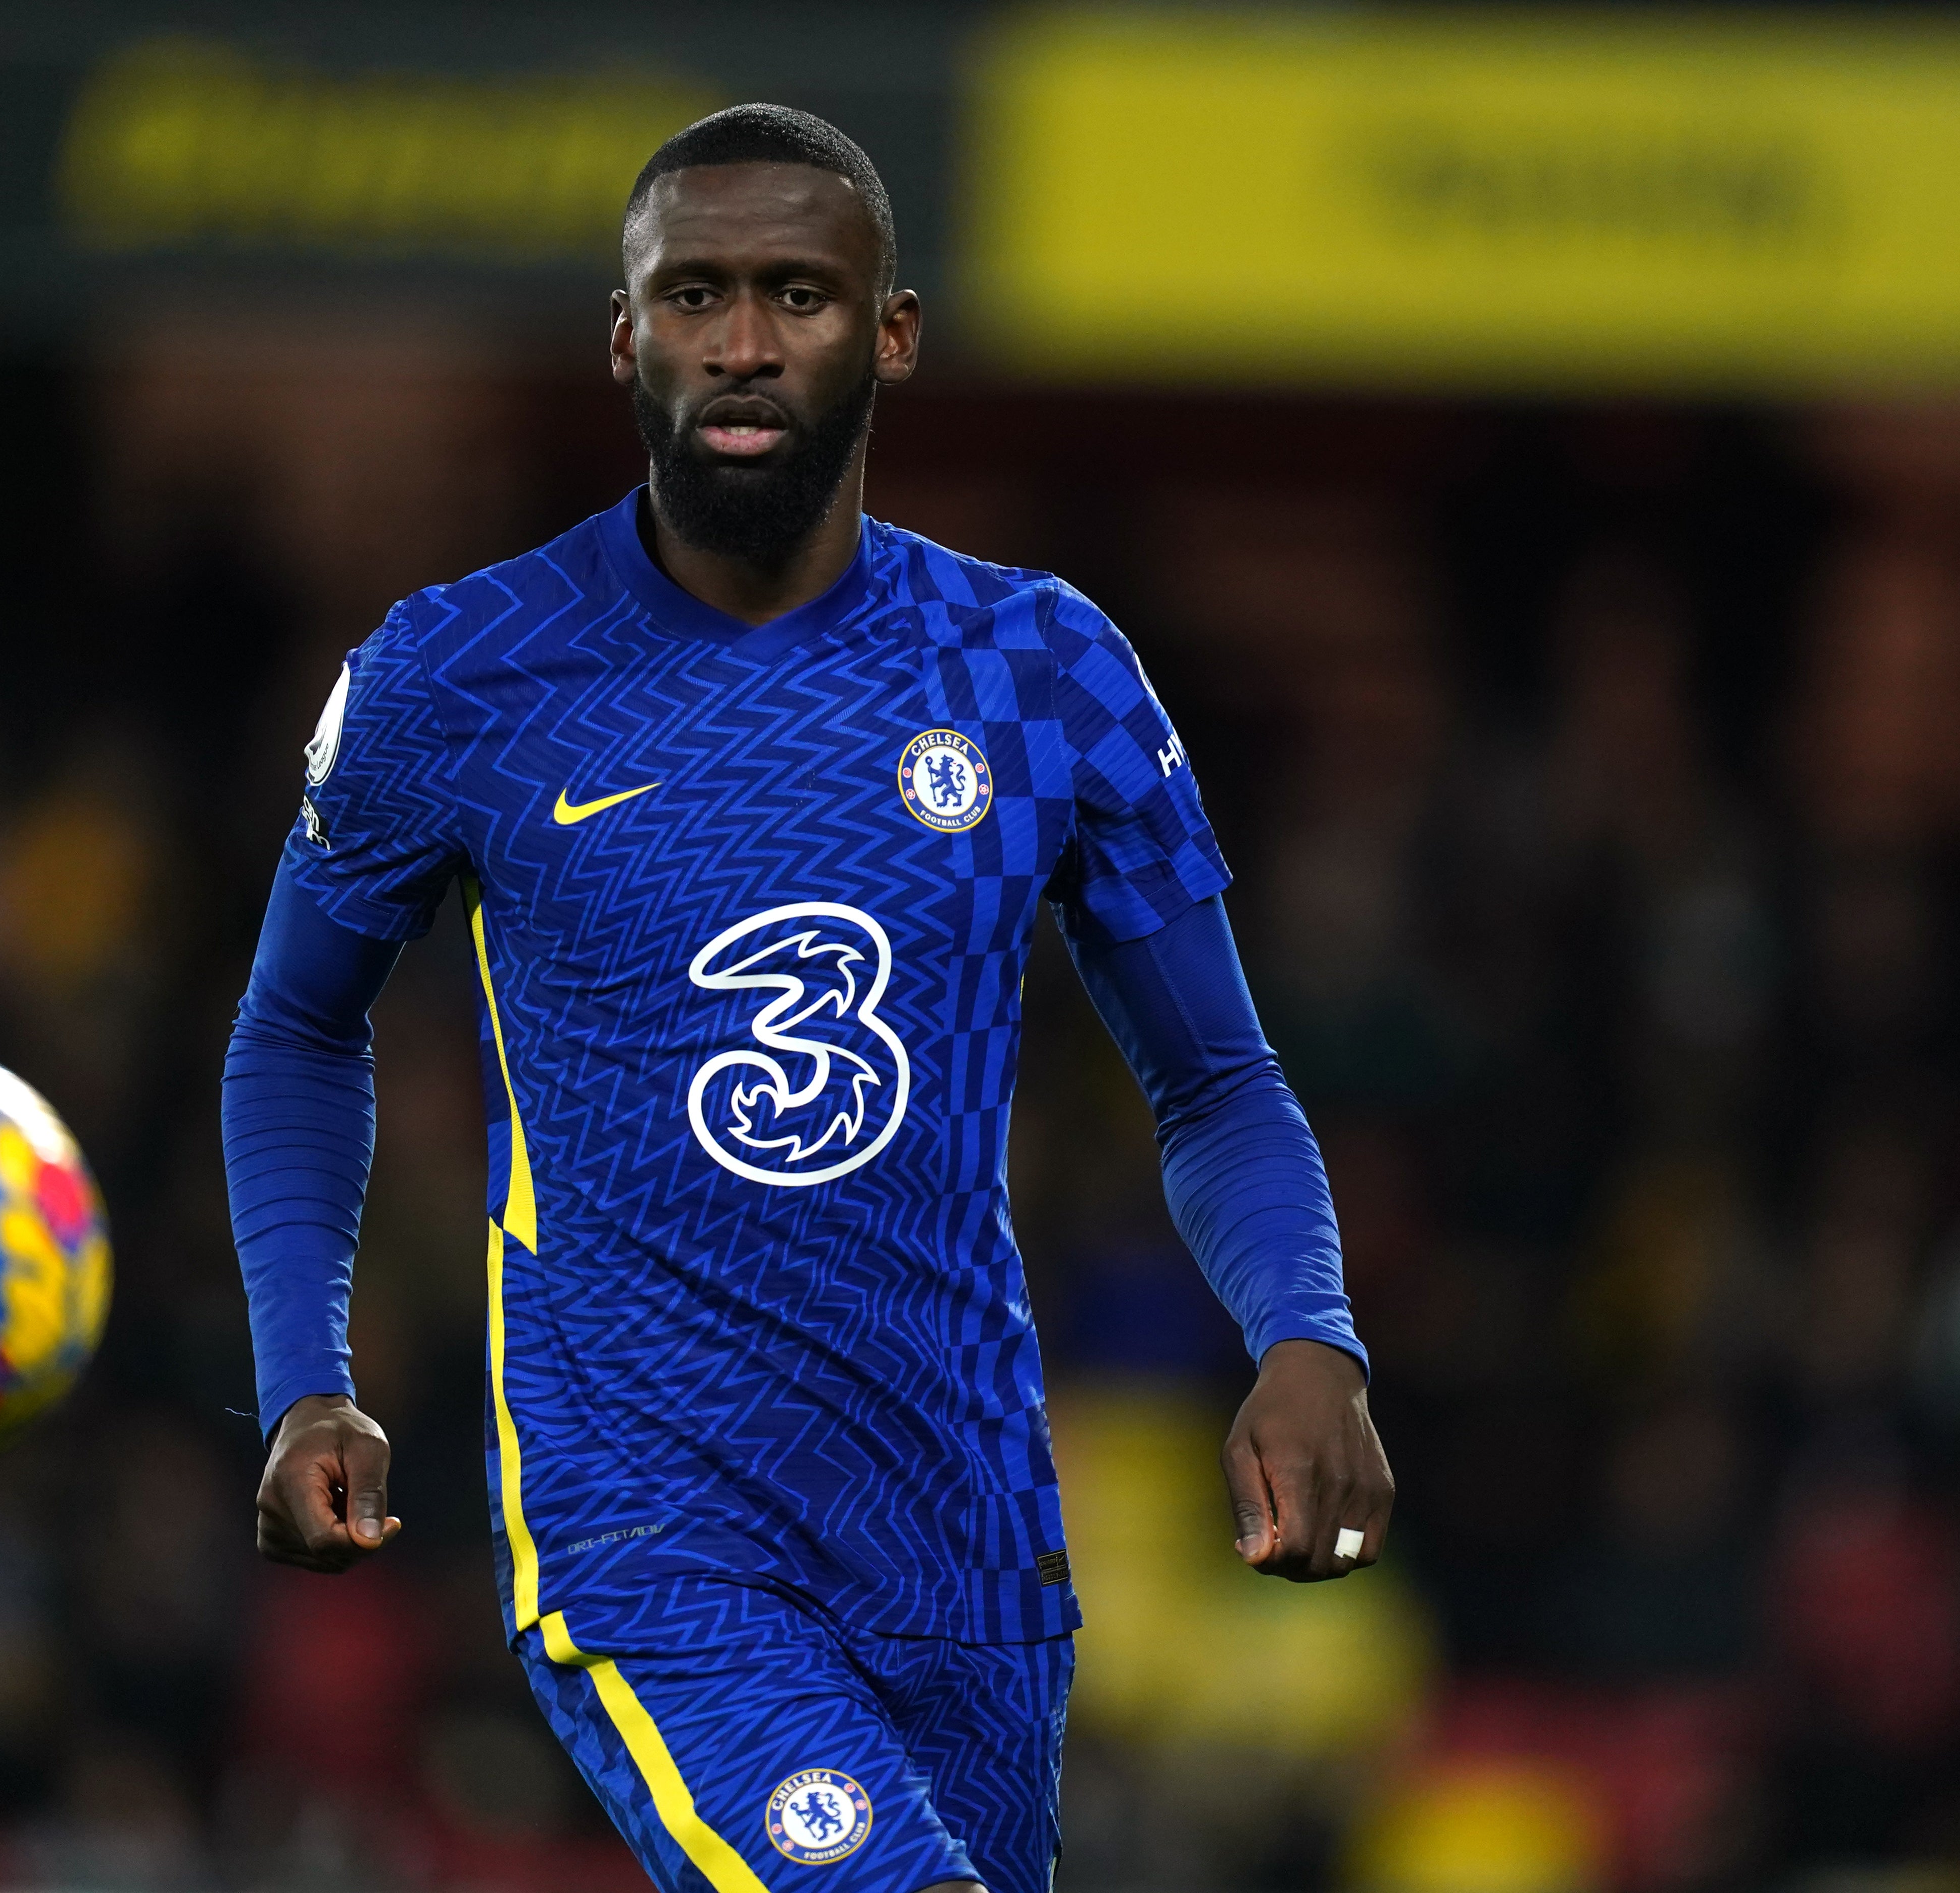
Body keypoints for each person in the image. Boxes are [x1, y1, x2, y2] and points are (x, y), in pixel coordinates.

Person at [223, 103, 1392, 1893]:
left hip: (965, 1534)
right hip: (650, 1528)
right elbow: (295, 1027)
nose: (744, 342)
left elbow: (1215, 1079)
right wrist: (307, 1377)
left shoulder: (1038, 670)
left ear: (893, 333)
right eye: (693, 295)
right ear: (624, 335)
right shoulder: (456, 677)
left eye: (796, 295)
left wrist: (1305, 1334)